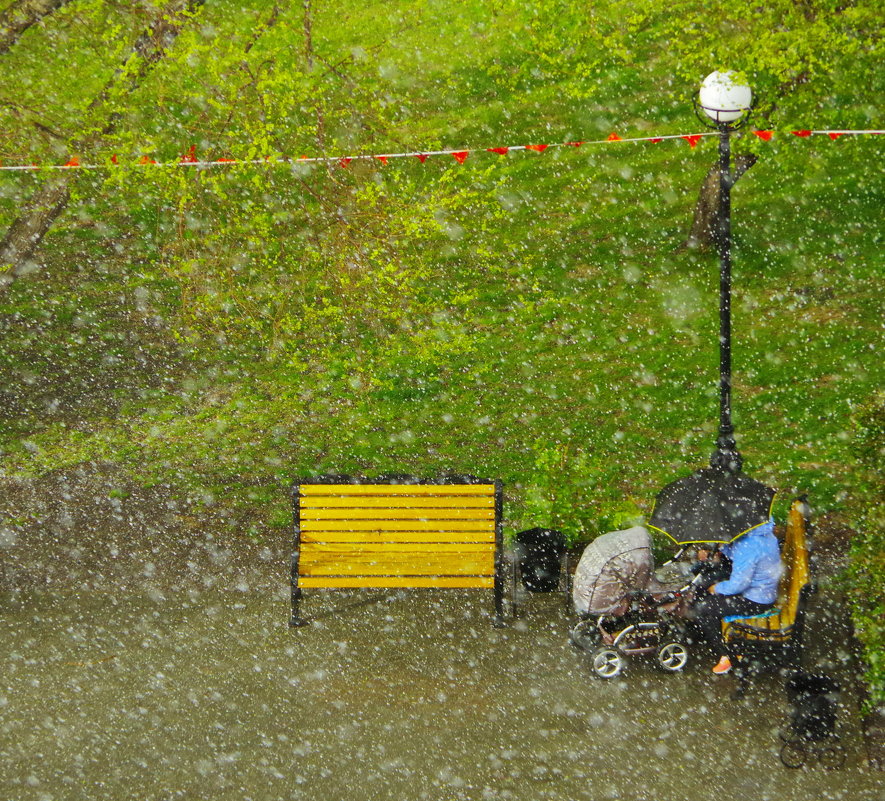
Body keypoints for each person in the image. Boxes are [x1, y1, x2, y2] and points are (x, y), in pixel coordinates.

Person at [693, 516, 783, 675]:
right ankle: (710, 636)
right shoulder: (763, 533)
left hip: (756, 600)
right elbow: (742, 556)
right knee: (707, 588)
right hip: (765, 592)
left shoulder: (749, 545)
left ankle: (727, 655)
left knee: (704, 608)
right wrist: (723, 548)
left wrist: (716, 588)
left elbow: (738, 584)